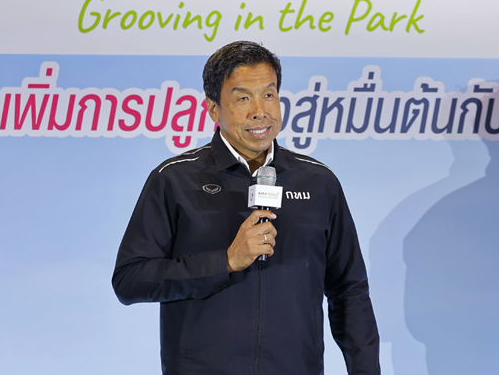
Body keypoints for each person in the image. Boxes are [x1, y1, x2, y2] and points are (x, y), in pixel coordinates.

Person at [112, 41, 380, 375]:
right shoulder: (175, 179)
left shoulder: (318, 182)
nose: (260, 111)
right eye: (243, 98)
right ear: (214, 109)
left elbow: (349, 290)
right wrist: (225, 262)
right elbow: (130, 280)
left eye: (269, 95)